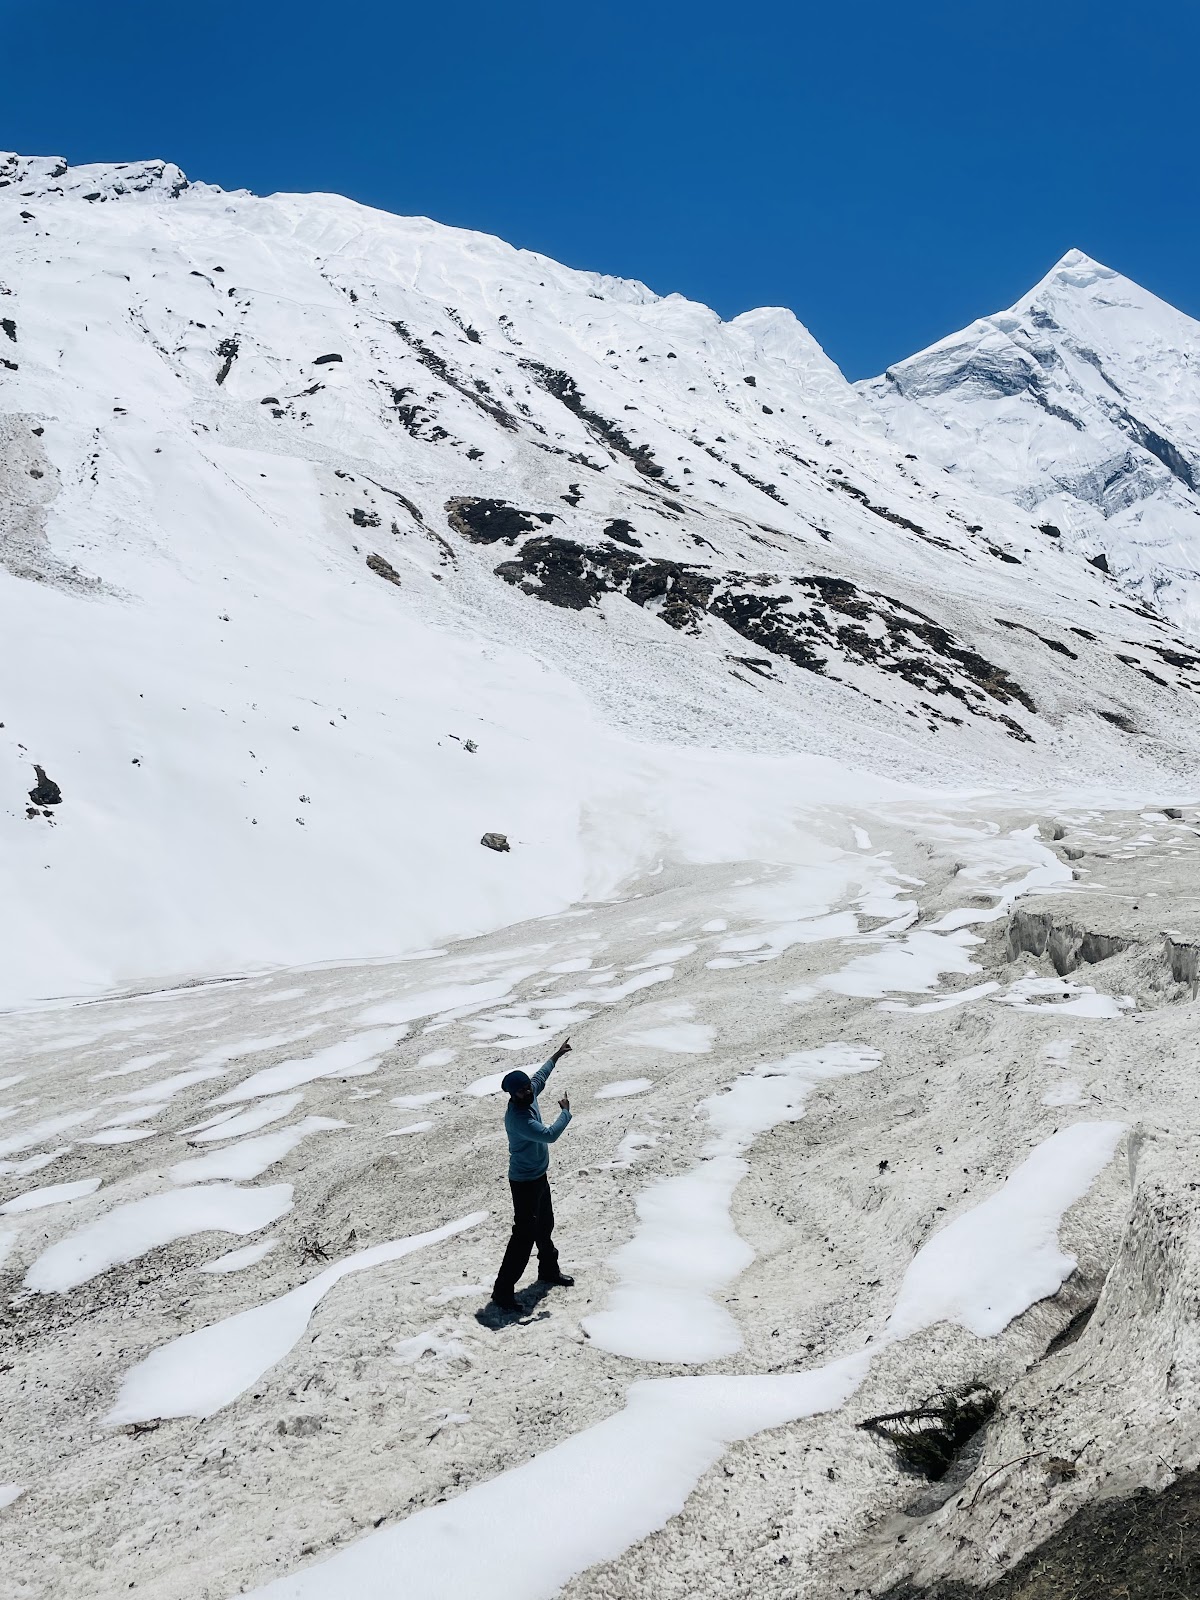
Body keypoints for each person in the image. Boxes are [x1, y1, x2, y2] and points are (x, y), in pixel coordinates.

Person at [491, 1036, 575, 1311]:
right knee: (523, 1238)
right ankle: (502, 1293)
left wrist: (557, 1054)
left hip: (538, 1177)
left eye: (528, 1087)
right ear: (512, 1094)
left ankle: (548, 1270)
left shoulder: (530, 1091)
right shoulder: (519, 1118)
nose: (528, 1091)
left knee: (545, 1226)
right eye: (522, 1090)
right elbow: (550, 1135)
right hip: (524, 1183)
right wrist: (566, 1112)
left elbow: (541, 1075)